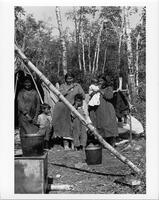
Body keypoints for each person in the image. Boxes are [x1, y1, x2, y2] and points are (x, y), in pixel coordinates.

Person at [53, 73, 85, 150]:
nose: (69, 80)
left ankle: (74, 144)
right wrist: (68, 89)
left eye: (71, 78)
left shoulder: (77, 86)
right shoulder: (62, 86)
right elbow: (59, 95)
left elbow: (83, 96)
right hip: (64, 109)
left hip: (74, 108)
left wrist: (77, 93)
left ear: (73, 79)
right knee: (65, 127)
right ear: (65, 79)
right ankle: (66, 144)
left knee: (74, 127)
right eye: (68, 79)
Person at [89, 75, 118, 146]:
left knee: (109, 125)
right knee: (100, 125)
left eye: (101, 81)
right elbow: (91, 96)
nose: (100, 82)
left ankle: (112, 143)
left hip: (108, 110)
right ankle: (102, 143)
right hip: (99, 110)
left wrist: (100, 90)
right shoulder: (96, 88)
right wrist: (94, 92)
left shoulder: (109, 88)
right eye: (99, 81)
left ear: (105, 81)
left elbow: (109, 96)